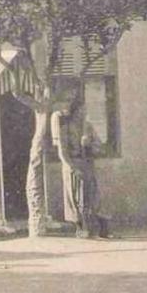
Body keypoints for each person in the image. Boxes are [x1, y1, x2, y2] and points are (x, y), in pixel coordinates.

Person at [51, 96, 107, 239]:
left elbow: (99, 146)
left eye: (85, 111)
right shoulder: (64, 128)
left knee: (91, 196)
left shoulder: (88, 127)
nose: (83, 114)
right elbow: (62, 151)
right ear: (74, 112)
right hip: (73, 164)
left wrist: (90, 144)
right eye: (81, 111)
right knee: (75, 196)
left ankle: (94, 227)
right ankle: (80, 227)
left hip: (87, 163)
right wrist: (72, 168)